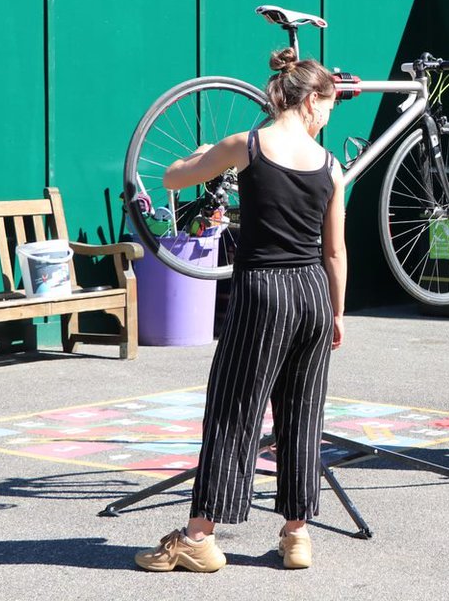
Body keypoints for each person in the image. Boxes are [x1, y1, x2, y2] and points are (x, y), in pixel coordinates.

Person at [134, 46, 347, 572]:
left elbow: (170, 179)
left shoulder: (245, 145)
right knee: (302, 412)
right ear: (310, 100)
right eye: (330, 105)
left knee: (234, 409)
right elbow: (336, 251)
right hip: (314, 293)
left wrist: (202, 154)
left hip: (263, 290)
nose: (328, 116)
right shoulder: (331, 165)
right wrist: (337, 313)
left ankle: (200, 537)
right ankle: (297, 534)